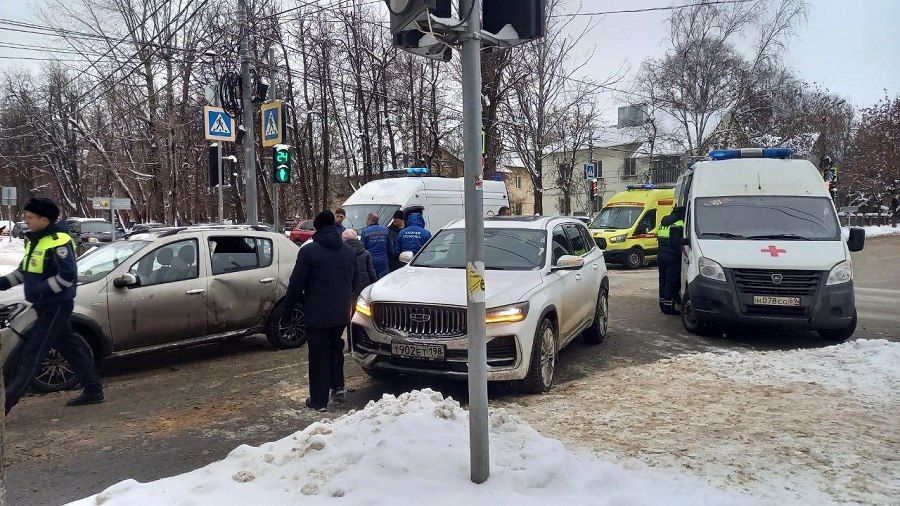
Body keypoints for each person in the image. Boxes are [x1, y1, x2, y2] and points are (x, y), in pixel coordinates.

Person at [1, 198, 103, 414]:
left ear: (44, 219)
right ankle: (93, 390)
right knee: (70, 347)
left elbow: (67, 277)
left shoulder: (58, 241)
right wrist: (2, 284)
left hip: (55, 306)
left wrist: (38, 289)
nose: (25, 220)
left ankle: (5, 404)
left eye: (29, 217)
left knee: (33, 353)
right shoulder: (37, 240)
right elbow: (24, 272)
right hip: (45, 305)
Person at [282, 210, 358, 412]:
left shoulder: (309, 252)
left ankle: (319, 400)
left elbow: (296, 284)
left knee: (318, 356)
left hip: (317, 313)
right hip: (341, 312)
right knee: (335, 348)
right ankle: (338, 387)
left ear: (317, 227)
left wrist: (287, 310)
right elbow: (354, 282)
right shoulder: (349, 251)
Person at [656, 206, 685, 315]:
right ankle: (668, 308)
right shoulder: (680, 223)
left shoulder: (663, 223)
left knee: (662, 280)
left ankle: (662, 305)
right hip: (673, 256)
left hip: (661, 254)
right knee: (671, 282)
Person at [343, 229, 377, 296]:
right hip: (363, 287)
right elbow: (371, 272)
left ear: (343, 239)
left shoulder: (341, 253)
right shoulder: (365, 253)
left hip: (347, 287)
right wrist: (375, 284)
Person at [360, 213, 391, 279]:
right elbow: (390, 247)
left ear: (371, 220)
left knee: (372, 280)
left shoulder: (365, 231)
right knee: (383, 280)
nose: (366, 221)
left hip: (371, 260)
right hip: (383, 260)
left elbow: (362, 248)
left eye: (367, 219)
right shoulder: (385, 230)